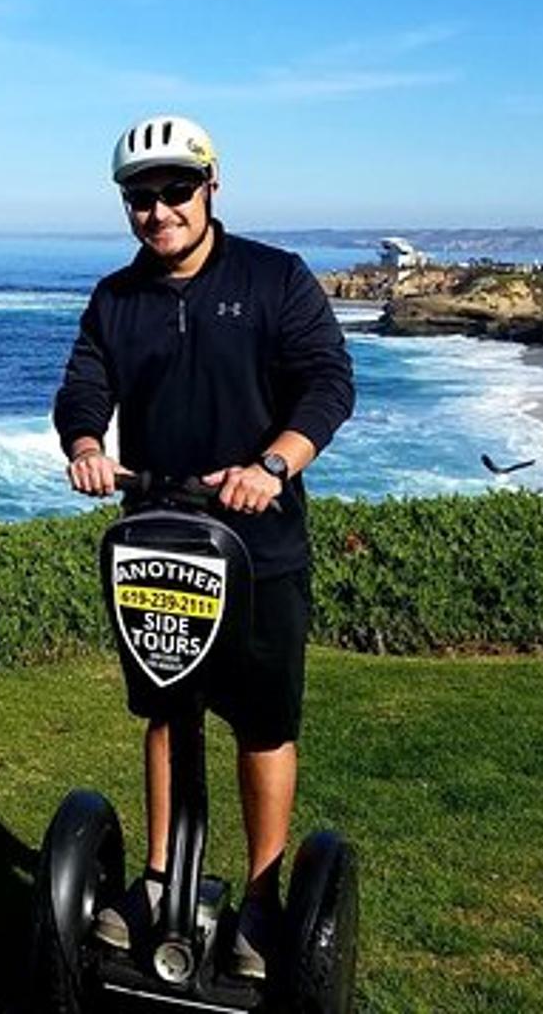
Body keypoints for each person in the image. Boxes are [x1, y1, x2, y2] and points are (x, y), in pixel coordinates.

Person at [54, 115, 355, 981]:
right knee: (165, 706)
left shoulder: (274, 278)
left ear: (211, 186)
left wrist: (274, 462)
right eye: (140, 197)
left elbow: (328, 381)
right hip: (157, 535)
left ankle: (260, 896)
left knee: (263, 721)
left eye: (175, 190)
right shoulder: (117, 297)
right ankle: (157, 879)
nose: (159, 210)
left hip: (260, 544)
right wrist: (83, 442)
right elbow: (85, 383)